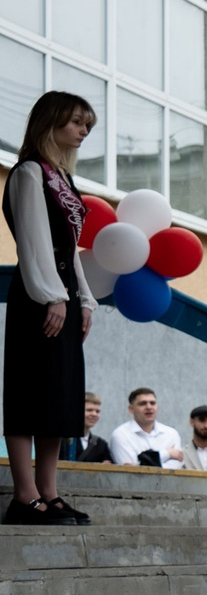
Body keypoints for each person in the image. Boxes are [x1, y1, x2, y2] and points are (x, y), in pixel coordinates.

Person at [5, 91, 98, 525]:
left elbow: (69, 249)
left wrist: (84, 299)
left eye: (87, 125)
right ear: (51, 122)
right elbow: (33, 241)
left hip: (62, 296)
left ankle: (49, 493)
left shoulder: (62, 177)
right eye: (77, 122)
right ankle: (24, 497)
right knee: (29, 392)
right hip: (38, 296)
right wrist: (53, 295)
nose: (83, 131)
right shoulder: (29, 172)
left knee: (58, 396)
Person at [108, 387, 183, 468]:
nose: (149, 407)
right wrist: (167, 453)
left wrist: (143, 463)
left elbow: (176, 466)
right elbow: (131, 471)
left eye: (152, 403)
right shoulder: (121, 435)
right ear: (131, 409)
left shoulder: (171, 434)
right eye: (143, 403)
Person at [61, 395, 111, 468]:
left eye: (97, 411)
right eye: (89, 410)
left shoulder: (101, 445)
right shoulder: (61, 440)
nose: (94, 414)